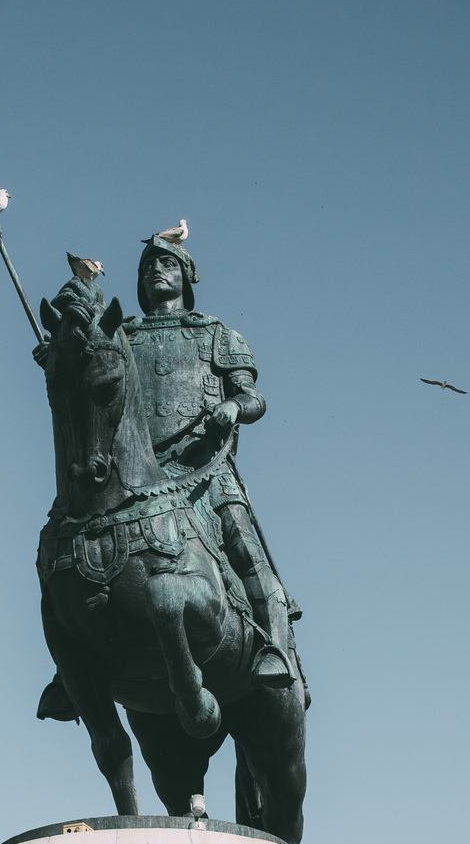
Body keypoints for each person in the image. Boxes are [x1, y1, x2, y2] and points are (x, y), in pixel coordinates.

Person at [36, 229, 308, 718]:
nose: (157, 271)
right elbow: (91, 374)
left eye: (168, 265)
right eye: (148, 267)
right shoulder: (126, 336)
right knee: (61, 542)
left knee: (249, 556)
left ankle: (273, 651)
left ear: (187, 276)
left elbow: (255, 398)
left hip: (203, 472)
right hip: (138, 479)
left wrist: (231, 406)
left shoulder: (217, 333)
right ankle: (66, 666)